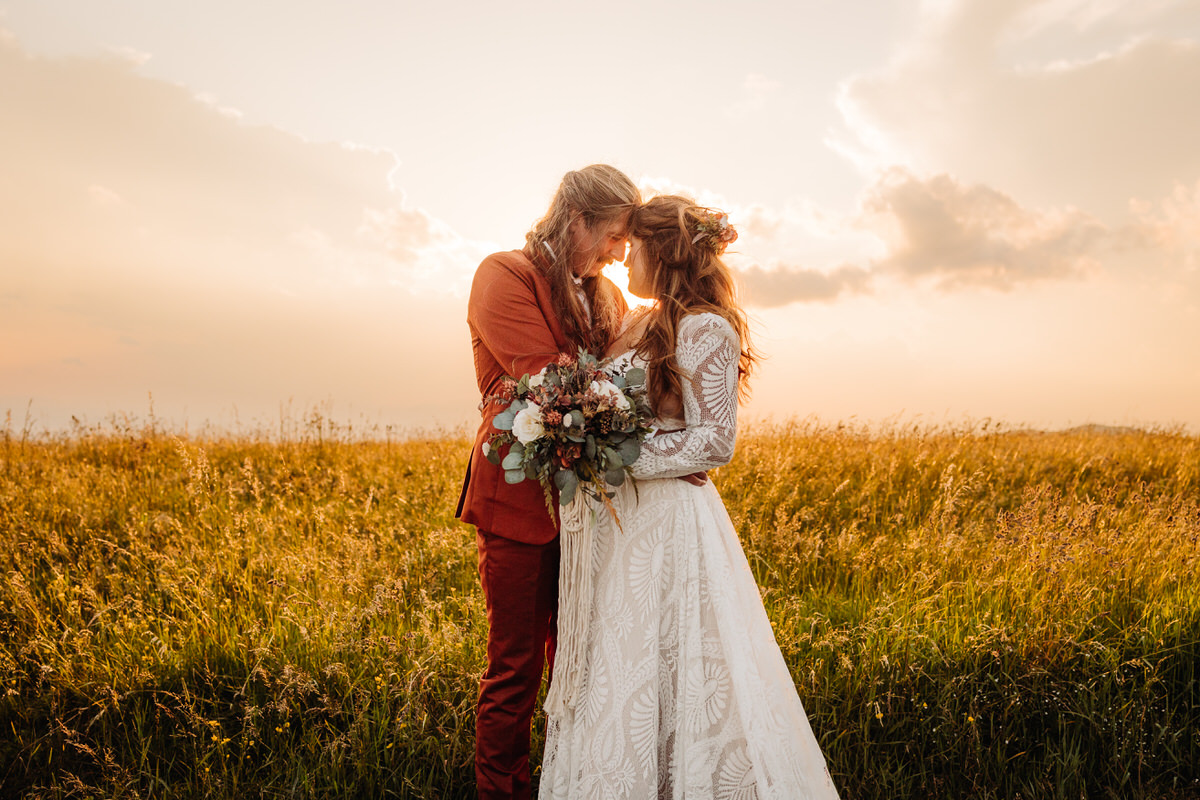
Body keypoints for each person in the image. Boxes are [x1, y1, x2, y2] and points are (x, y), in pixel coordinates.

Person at [538, 195, 841, 799]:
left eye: (636, 247)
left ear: (665, 251)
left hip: (670, 524)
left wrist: (614, 463)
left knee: (678, 660)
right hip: (621, 524)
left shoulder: (706, 327)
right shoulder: (636, 322)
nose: (624, 261)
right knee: (623, 664)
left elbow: (713, 440)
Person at [456, 164, 640, 800]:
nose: (619, 255)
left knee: (584, 658)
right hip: (518, 500)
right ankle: (500, 791)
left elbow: (624, 375)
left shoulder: (608, 296)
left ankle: (574, 781)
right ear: (578, 220)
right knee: (516, 666)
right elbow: (547, 378)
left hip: (593, 504)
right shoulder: (503, 274)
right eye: (614, 237)